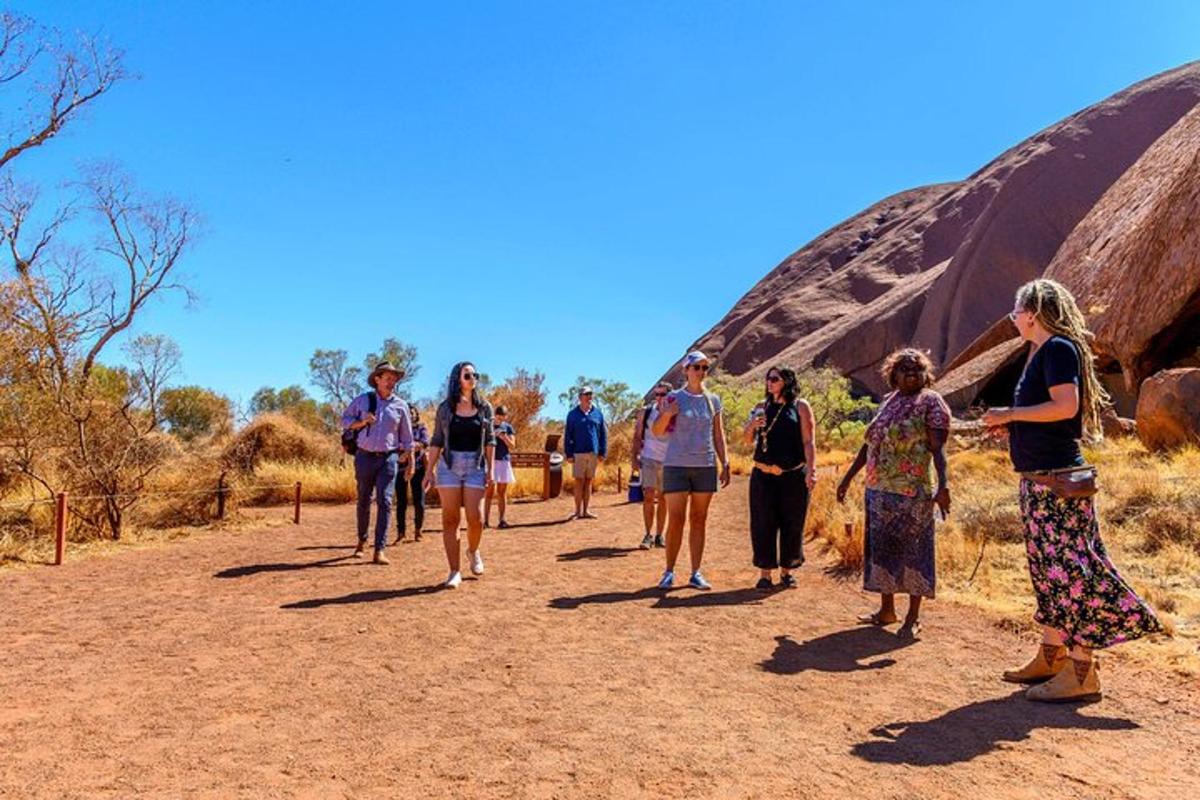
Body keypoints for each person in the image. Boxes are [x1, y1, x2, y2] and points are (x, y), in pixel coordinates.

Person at [983, 278, 1161, 703]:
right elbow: (1048, 412)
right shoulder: (1040, 352)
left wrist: (1010, 412)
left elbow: (1066, 406)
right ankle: (1051, 653)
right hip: (1041, 480)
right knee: (1048, 570)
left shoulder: (1059, 348)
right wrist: (1014, 424)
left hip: (1058, 483)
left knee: (1073, 573)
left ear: (1034, 312)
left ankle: (1082, 671)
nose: (1012, 317)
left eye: (1016, 310)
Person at [837, 349, 951, 639]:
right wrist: (848, 478)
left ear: (926, 374)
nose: (911, 373)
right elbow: (870, 445)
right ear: (893, 375)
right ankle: (886, 610)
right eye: (904, 369)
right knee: (883, 550)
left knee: (915, 553)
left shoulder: (931, 402)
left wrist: (944, 486)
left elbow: (938, 449)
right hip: (878, 490)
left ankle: (913, 618)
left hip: (913, 492)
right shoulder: (889, 402)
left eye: (917, 369)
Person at [652, 351, 731, 590]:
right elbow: (657, 431)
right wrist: (667, 414)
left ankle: (696, 572)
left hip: (705, 465)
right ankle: (669, 572)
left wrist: (725, 461)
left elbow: (718, 434)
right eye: (696, 367)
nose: (700, 372)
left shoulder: (713, 400)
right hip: (676, 465)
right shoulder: (674, 398)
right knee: (676, 519)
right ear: (685, 370)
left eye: (705, 368)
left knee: (699, 519)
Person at [423, 362, 496, 589]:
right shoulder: (445, 408)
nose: (472, 378)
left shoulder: (485, 408)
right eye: (468, 374)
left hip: (475, 466)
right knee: (450, 519)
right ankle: (454, 571)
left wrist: (491, 470)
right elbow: (436, 440)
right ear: (458, 379)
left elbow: (491, 440)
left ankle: (472, 551)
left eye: (475, 374)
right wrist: (429, 471)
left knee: (476, 519)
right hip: (449, 465)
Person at [743, 366, 816, 589]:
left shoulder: (800, 407)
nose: (769, 382)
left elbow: (808, 441)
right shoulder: (760, 407)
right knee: (763, 522)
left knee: (792, 522)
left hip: (792, 475)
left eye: (774, 379)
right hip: (763, 475)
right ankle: (765, 574)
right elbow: (747, 440)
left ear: (786, 381)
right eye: (768, 379)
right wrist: (752, 425)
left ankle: (787, 571)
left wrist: (812, 470)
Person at [341, 362, 415, 565]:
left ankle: (380, 549)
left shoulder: (401, 406)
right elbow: (345, 420)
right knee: (364, 499)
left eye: (394, 379)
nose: (392, 382)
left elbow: (407, 438)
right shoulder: (363, 400)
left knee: (386, 501)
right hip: (364, 456)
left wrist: (411, 462)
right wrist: (362, 422)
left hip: (388, 458)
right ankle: (361, 541)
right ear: (377, 379)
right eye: (388, 378)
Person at [631, 382, 672, 549]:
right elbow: (637, 436)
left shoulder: (674, 412)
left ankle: (659, 535)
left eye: (662, 394)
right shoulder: (646, 412)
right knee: (648, 495)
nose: (659, 398)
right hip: (649, 457)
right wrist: (634, 457)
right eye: (657, 394)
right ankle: (647, 534)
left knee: (663, 498)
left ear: (669, 395)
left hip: (668, 460)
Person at [564, 386, 607, 520]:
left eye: (590, 394)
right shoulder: (573, 414)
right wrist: (569, 453)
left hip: (593, 452)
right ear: (580, 397)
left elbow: (603, 434)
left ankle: (586, 511)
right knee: (579, 481)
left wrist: (602, 451)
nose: (589, 397)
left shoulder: (598, 413)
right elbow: (568, 435)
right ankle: (577, 511)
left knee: (588, 481)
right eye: (586, 394)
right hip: (578, 452)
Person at [395, 407, 429, 543]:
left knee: (419, 501)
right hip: (400, 468)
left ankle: (418, 530)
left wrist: (409, 447)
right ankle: (401, 532)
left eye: (412, 413)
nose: (410, 415)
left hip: (419, 468)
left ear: (416, 414)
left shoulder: (421, 427)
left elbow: (424, 443)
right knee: (401, 502)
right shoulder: (397, 429)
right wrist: (406, 447)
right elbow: (394, 444)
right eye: (407, 413)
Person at [485, 405, 516, 529]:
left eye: (503, 416)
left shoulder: (508, 427)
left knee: (502, 492)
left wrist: (504, 437)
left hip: (503, 460)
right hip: (491, 461)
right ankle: (485, 520)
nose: (500, 418)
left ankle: (502, 519)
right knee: (488, 492)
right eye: (498, 415)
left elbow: (512, 445)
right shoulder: (489, 426)